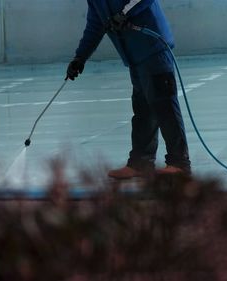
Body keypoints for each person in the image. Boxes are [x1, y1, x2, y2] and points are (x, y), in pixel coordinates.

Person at [67, 0, 191, 179]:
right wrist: (80, 57)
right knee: (143, 112)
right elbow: (95, 25)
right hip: (135, 57)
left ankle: (179, 163)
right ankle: (141, 163)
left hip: (153, 49)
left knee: (165, 108)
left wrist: (125, 13)